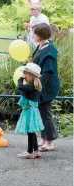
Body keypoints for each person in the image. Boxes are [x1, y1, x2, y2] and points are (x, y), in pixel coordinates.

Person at [31, 23, 59, 152]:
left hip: (46, 86)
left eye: (35, 33)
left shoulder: (49, 51)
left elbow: (47, 72)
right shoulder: (42, 47)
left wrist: (38, 87)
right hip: (42, 84)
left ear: (41, 35)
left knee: (45, 114)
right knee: (41, 113)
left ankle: (50, 142)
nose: (32, 35)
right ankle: (44, 139)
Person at [15, 63, 44, 159]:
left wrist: (20, 80)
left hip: (29, 112)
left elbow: (20, 87)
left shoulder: (31, 85)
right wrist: (23, 80)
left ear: (31, 75)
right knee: (32, 132)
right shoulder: (33, 86)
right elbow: (23, 91)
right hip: (31, 110)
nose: (24, 76)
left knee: (30, 132)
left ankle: (29, 151)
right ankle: (36, 151)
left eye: (25, 74)